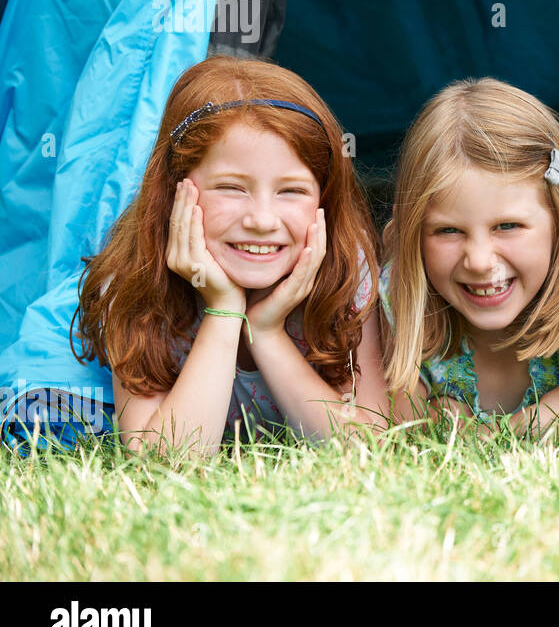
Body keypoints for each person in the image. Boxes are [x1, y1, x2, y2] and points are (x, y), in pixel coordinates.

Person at [76, 56, 386, 454]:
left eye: (291, 191)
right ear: (175, 191)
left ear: (324, 199)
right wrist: (223, 309)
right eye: (232, 188)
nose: (261, 220)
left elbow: (369, 446)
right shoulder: (137, 278)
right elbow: (164, 461)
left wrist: (268, 332)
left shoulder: (344, 271)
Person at [381, 79, 559, 433]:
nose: (480, 261)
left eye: (507, 225)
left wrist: (532, 422)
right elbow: (397, 432)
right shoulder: (396, 299)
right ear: (412, 233)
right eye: (449, 231)